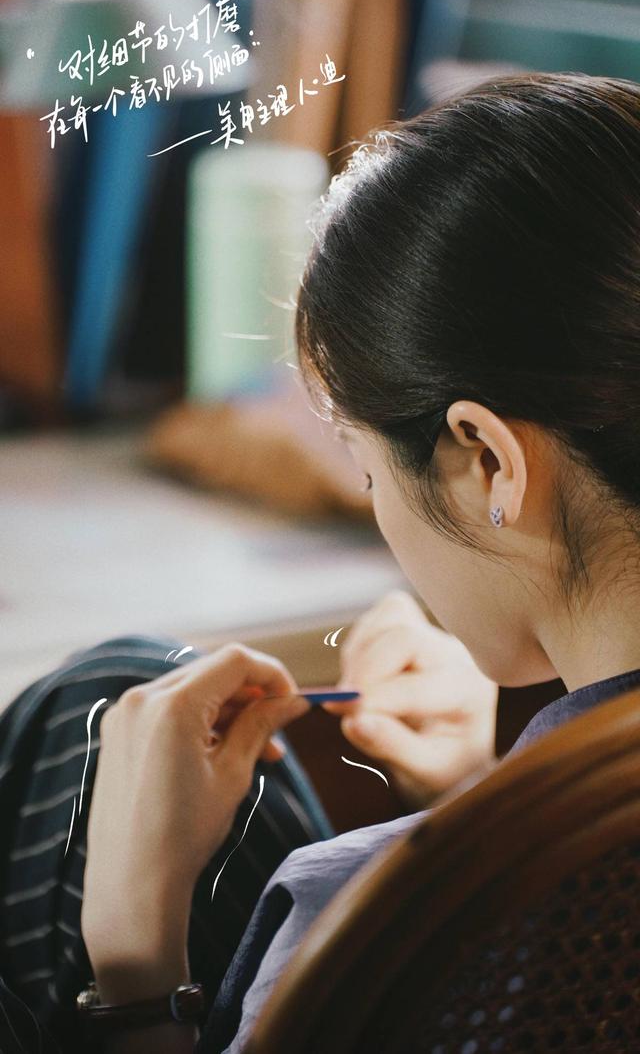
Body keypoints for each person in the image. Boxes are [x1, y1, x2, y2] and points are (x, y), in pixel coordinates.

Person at [3, 68, 640, 1051]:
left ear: (485, 461)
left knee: (93, 707)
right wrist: (506, 782)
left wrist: (131, 957)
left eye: (362, 463)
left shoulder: (367, 924)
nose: (375, 505)